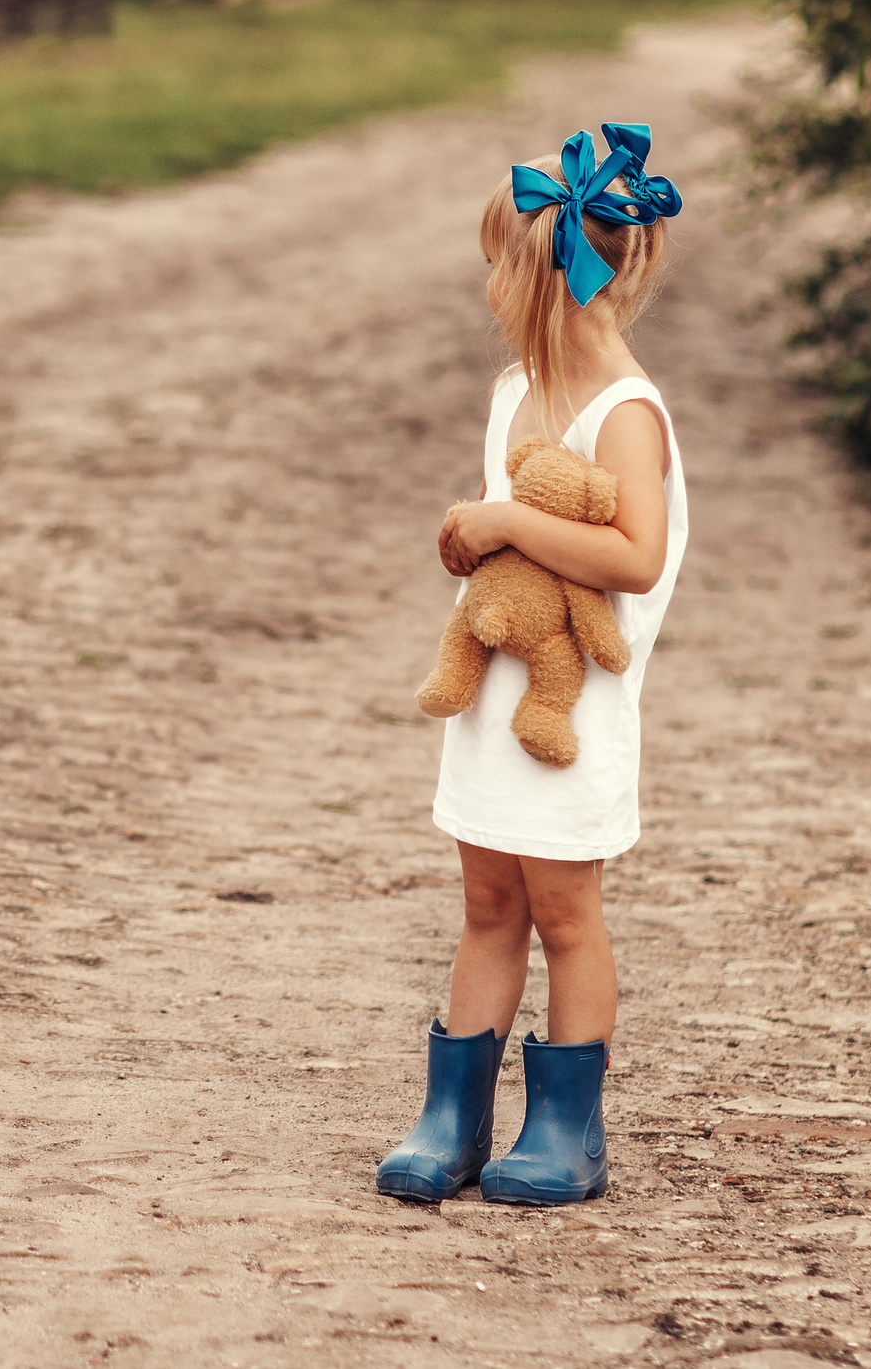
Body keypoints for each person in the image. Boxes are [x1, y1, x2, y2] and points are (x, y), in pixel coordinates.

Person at [376, 124, 690, 1207]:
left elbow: (634, 557)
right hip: (495, 698)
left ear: (551, 275)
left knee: (564, 910)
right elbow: (515, 541)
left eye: (494, 271)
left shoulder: (625, 415)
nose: (486, 292)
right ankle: (449, 1119)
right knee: (485, 903)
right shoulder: (516, 389)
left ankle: (566, 1129)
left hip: (575, 711)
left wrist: (506, 512)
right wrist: (471, 537)